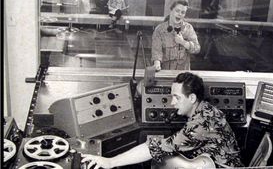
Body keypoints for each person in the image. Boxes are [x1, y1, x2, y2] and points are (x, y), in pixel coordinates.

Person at [81, 72, 244, 168]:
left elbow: (154, 149)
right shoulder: (205, 109)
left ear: (192, 97)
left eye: (176, 97)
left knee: (160, 157)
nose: (172, 103)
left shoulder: (202, 123)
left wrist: (109, 162)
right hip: (211, 161)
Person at [152, 0, 201, 71]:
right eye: (177, 11)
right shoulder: (159, 30)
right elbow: (156, 52)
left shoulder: (188, 28)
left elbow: (197, 49)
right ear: (171, 11)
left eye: (183, 12)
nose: (180, 14)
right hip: (166, 73)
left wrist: (183, 42)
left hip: (183, 74)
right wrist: (157, 65)